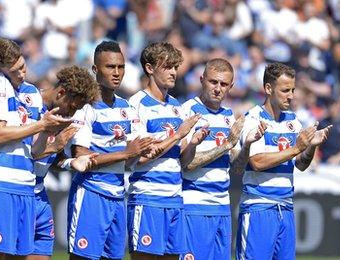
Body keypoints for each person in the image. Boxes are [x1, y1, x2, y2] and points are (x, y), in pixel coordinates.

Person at [0, 37, 71, 259]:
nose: (22, 74)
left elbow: (33, 152)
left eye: (23, 66)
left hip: (25, 186)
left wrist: (50, 136)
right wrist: (41, 124)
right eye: (15, 71)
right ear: (0, 69)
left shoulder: (30, 92)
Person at [67, 40, 156, 260]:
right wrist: (126, 153)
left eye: (121, 67)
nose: (117, 73)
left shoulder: (126, 107)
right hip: (91, 192)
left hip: (118, 195)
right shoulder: (84, 108)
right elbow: (81, 157)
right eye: (110, 67)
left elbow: (135, 154)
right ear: (95, 70)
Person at [236, 62, 331, 259]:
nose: (291, 95)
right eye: (285, 90)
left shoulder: (292, 121)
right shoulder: (254, 119)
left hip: (285, 208)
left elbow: (300, 165)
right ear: (268, 89)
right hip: (259, 208)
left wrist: (311, 146)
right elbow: (257, 162)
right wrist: (296, 147)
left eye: (293, 90)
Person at [179, 58, 266, 260]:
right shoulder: (187, 111)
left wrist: (247, 145)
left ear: (231, 86)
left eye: (224, 84)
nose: (218, 89)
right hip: (194, 204)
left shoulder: (228, 115)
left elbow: (236, 168)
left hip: (222, 206)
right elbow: (186, 163)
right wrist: (226, 144)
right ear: (201, 80)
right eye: (213, 82)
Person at [126, 42, 198, 260]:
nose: (174, 72)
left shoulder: (176, 105)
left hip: (174, 198)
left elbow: (182, 159)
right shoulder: (136, 104)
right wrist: (177, 134)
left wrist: (192, 142)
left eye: (176, 67)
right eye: (168, 66)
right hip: (148, 198)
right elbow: (140, 156)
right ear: (150, 68)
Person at [26, 65, 101, 260]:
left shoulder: (61, 117)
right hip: (20, 194)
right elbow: (21, 154)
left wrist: (70, 163)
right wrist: (55, 145)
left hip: (40, 196)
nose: (72, 113)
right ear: (61, 93)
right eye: (73, 106)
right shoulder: (28, 104)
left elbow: (56, 157)